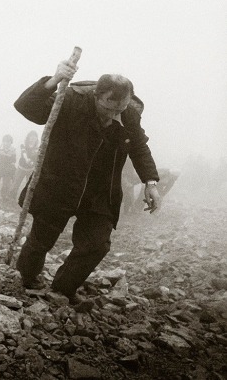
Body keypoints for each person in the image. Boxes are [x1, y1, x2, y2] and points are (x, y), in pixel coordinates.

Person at [14, 59, 160, 305]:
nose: (114, 115)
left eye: (120, 109)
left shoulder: (129, 113)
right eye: (109, 108)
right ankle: (25, 279)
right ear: (96, 96)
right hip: (60, 184)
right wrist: (53, 80)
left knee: (97, 244)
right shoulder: (70, 100)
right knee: (41, 240)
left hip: (101, 192)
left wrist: (151, 182)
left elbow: (138, 146)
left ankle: (62, 289)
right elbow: (27, 107)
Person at [11, 130, 39, 199]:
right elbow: (24, 153)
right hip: (21, 168)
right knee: (15, 184)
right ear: (28, 137)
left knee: (29, 185)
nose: (32, 139)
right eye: (31, 137)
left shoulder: (38, 148)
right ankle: (11, 198)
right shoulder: (23, 145)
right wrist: (27, 160)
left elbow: (38, 158)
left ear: (36, 139)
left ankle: (26, 200)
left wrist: (33, 163)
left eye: (34, 137)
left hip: (30, 170)